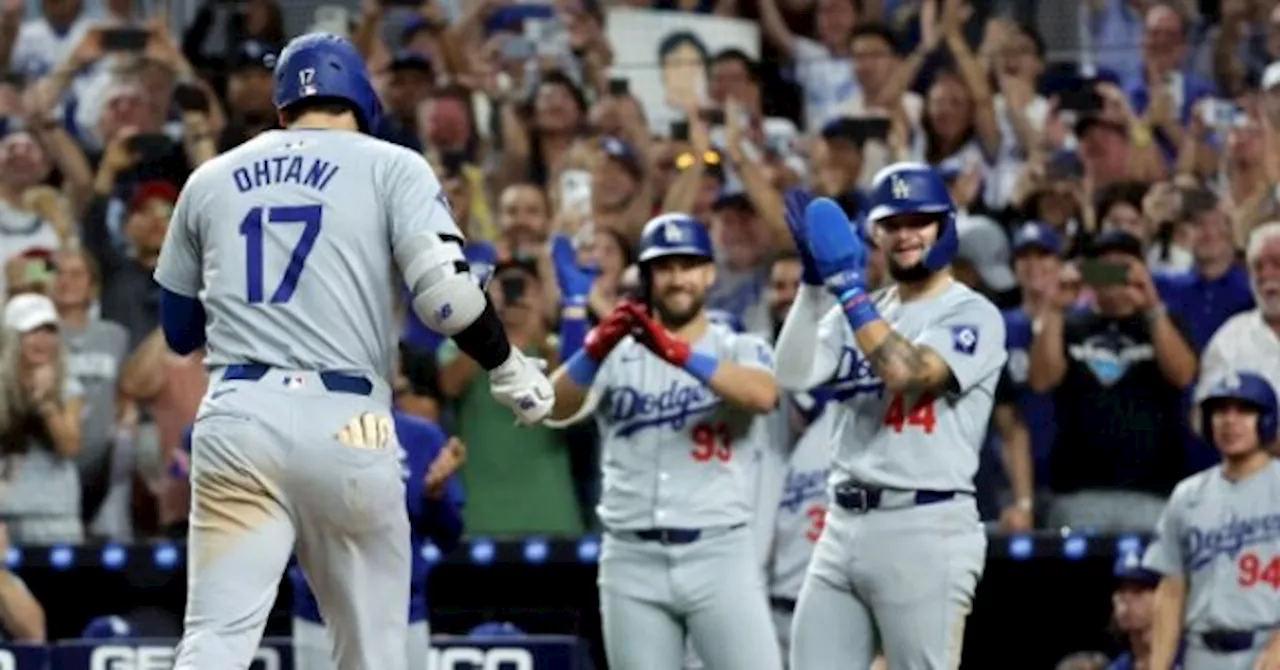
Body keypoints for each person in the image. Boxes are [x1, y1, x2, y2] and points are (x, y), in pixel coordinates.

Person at [150, 33, 554, 670]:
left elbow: (177, 330)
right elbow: (446, 298)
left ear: (283, 106)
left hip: (236, 415)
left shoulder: (210, 178)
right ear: (362, 99)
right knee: (372, 655)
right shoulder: (392, 164)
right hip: (349, 419)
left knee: (214, 643)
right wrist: (506, 364)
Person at [775, 163, 1006, 669]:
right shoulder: (857, 309)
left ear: (945, 225)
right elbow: (792, 374)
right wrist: (814, 287)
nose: (906, 235)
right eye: (892, 224)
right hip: (841, 525)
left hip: (925, 525)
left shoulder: (972, 313)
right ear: (874, 233)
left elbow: (909, 374)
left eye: (919, 221)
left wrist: (849, 293)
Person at [544, 213, 783, 670]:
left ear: (709, 272)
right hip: (631, 557)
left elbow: (762, 395)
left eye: (688, 265)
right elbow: (551, 407)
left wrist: (679, 353)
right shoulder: (616, 352)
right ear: (648, 276)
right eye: (665, 267)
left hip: (719, 552)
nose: (677, 279)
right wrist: (593, 347)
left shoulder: (738, 345)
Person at [290, 411, 464, 670]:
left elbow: (449, 537)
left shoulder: (421, 436)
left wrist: (436, 497)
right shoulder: (299, 432)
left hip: (402, 619)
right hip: (322, 618)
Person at [1145, 371, 1280, 670]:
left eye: (1244, 410)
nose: (1230, 421)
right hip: (1202, 652)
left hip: (1267, 647)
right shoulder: (1187, 495)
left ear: (1267, 420)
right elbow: (1171, 590)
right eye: (1220, 411)